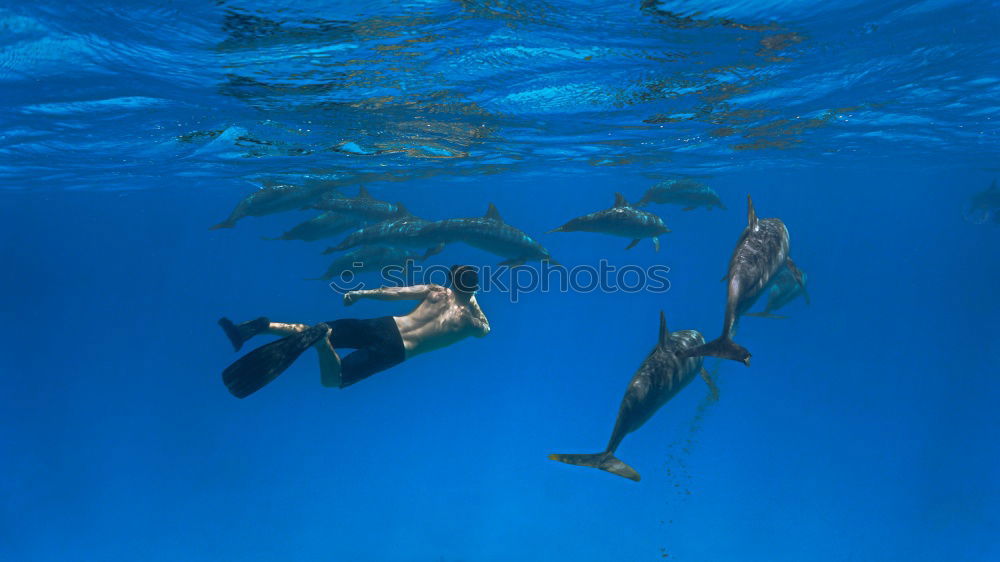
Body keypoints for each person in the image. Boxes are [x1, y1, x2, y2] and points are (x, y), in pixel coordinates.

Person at [218, 265, 490, 398]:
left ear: (451, 281)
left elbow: (394, 292)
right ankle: (324, 345)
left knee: (315, 330)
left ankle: (261, 326)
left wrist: (360, 293)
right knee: (334, 379)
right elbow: (486, 330)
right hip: (397, 350)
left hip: (386, 324)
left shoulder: (436, 291)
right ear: (474, 288)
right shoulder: (469, 323)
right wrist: (472, 298)